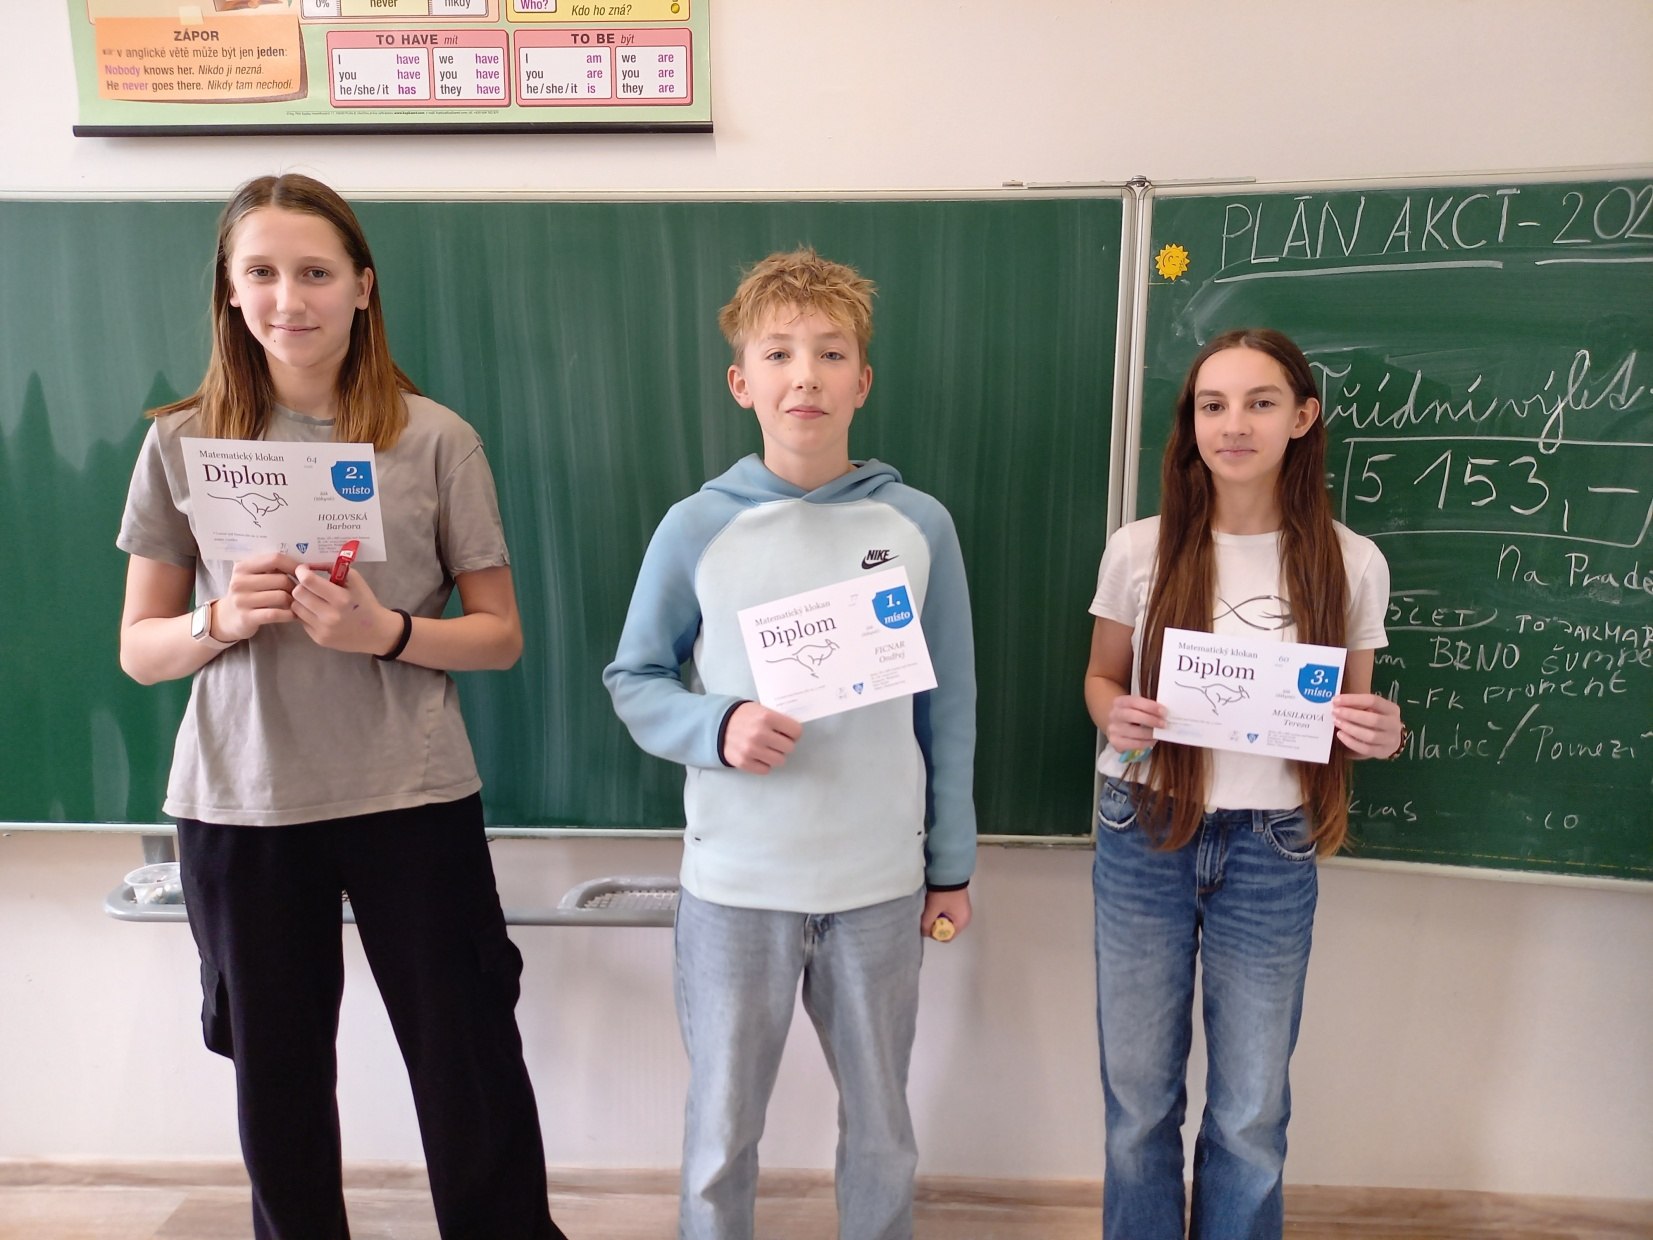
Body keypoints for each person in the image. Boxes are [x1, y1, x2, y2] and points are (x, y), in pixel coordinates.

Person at [116, 174, 566, 1240]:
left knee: (467, 1056)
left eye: (316, 271)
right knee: (275, 1077)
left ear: (362, 286)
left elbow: (499, 633)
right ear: (231, 292)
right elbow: (139, 650)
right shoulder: (181, 441)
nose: (290, 298)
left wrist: (389, 632)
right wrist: (221, 619)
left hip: (411, 794)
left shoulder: (436, 439)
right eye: (262, 273)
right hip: (244, 804)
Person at [603, 248, 977, 1240]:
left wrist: (950, 866)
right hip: (736, 887)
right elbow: (634, 680)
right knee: (721, 1132)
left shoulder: (918, 526)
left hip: (879, 885)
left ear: (863, 380)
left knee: (883, 1128)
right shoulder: (695, 527)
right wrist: (717, 724)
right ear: (742, 382)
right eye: (778, 353)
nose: (804, 375)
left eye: (830, 352)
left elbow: (949, 707)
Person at [1083, 328, 1406, 1240]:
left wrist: (1378, 733)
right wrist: (1114, 714)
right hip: (1144, 826)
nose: (1233, 424)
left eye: (1259, 403)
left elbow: (1351, 716)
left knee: (1250, 1110)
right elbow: (1101, 678)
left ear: (1301, 418)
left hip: (1272, 846)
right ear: (1190, 423)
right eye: (1212, 405)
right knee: (1137, 1098)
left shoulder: (1350, 561)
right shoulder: (1139, 549)